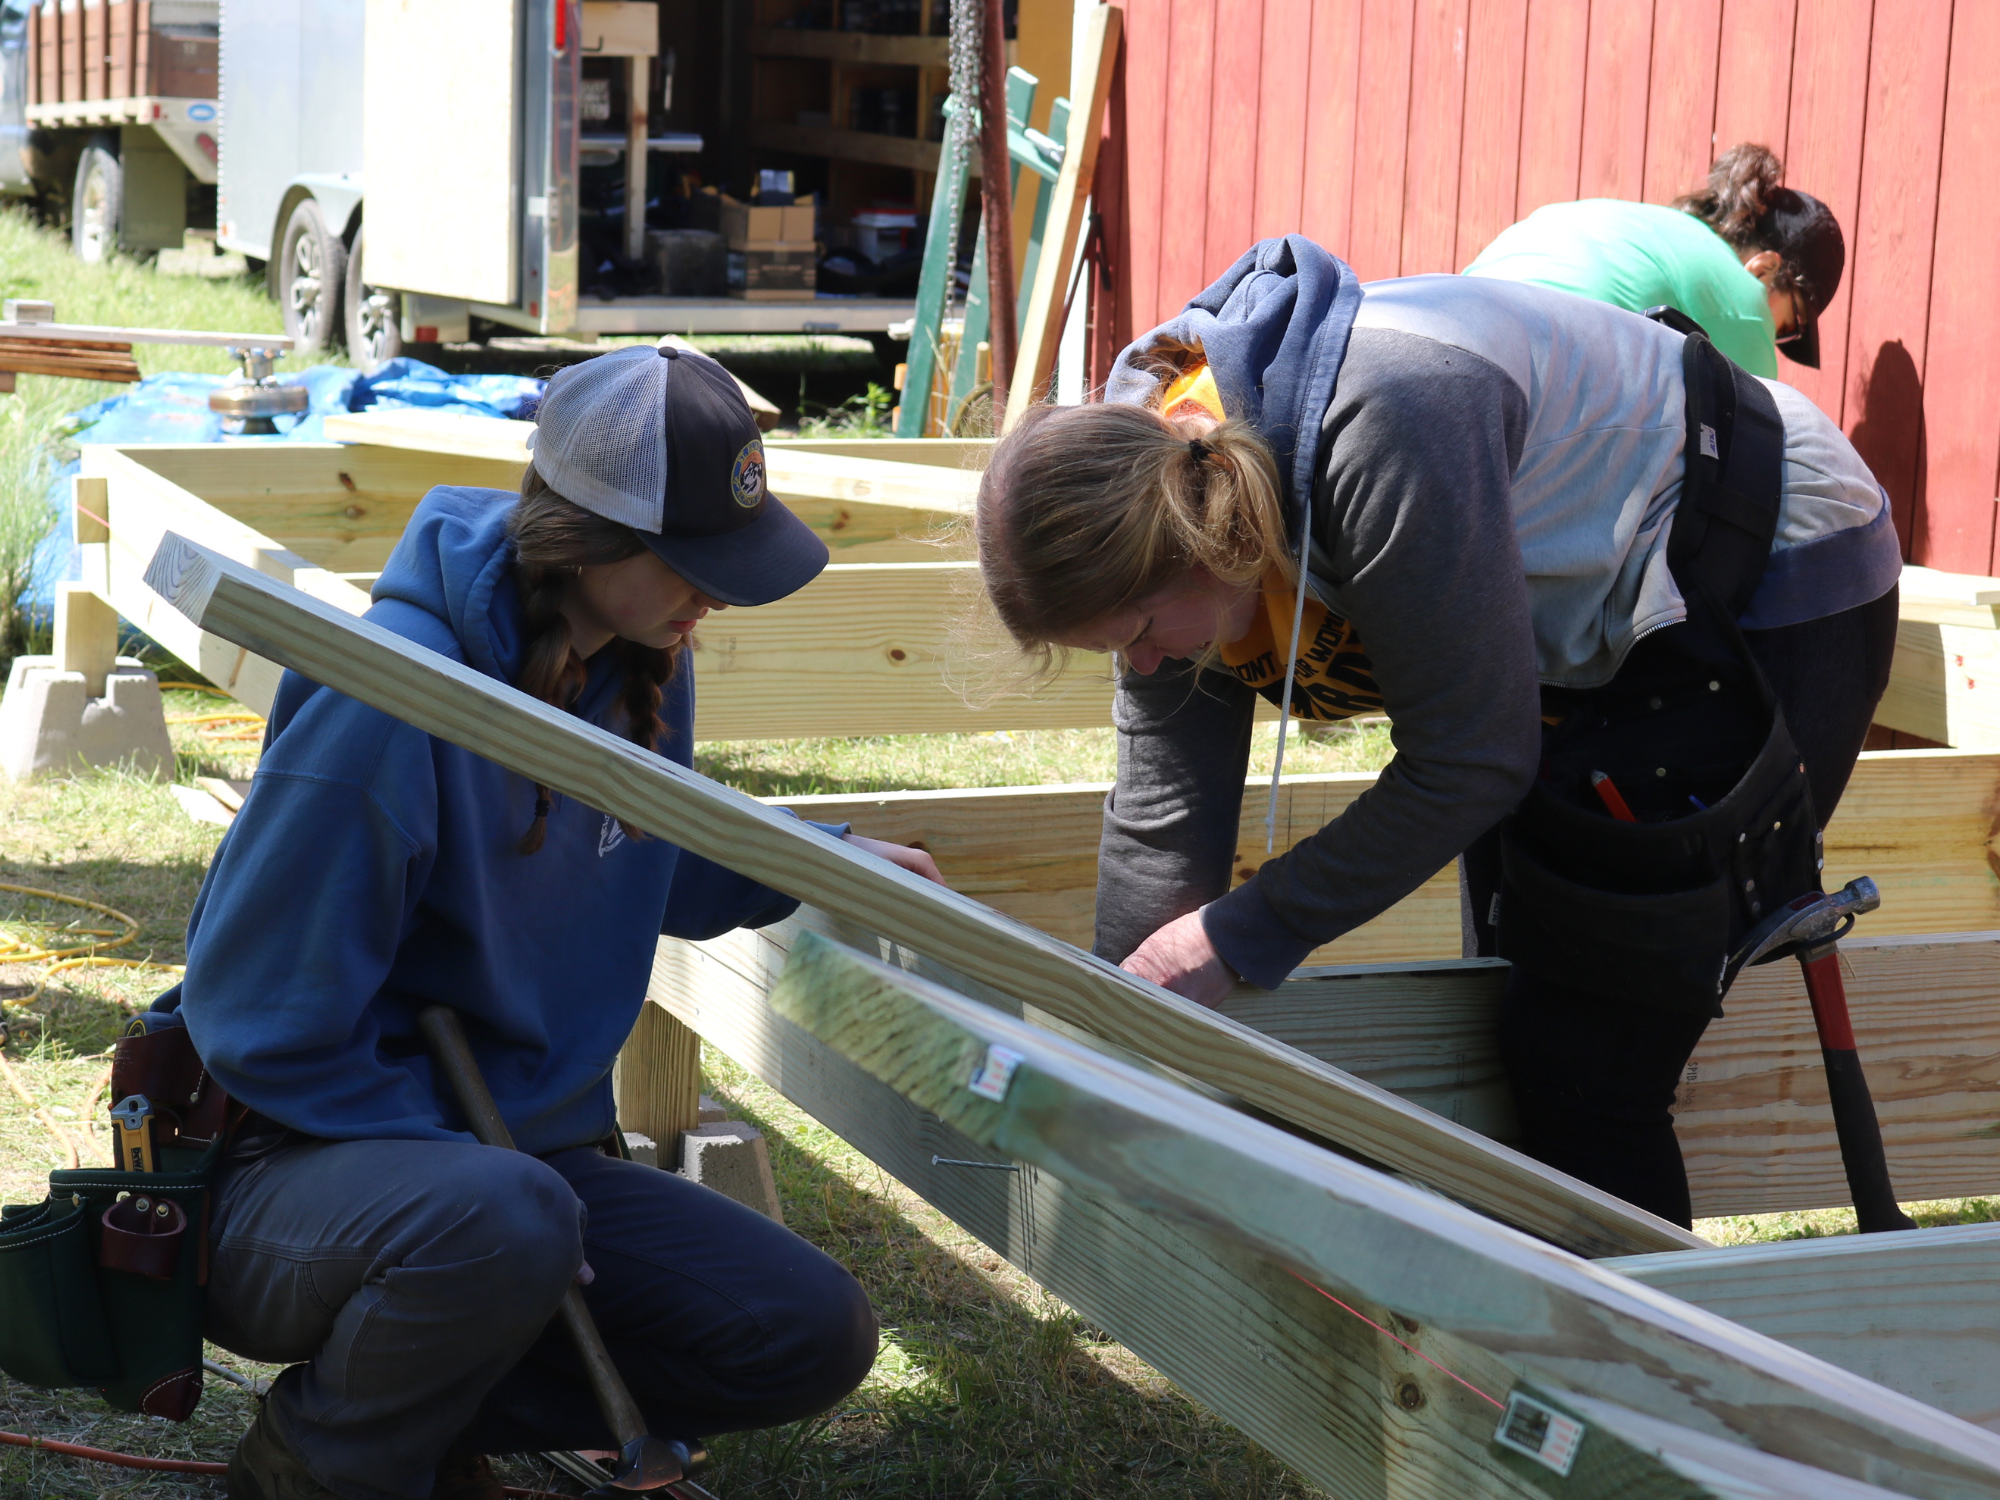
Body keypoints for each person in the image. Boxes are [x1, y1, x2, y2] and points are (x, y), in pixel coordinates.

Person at [975, 236, 1902, 1228]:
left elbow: (1470, 758)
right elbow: (1165, 824)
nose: (1144, 665)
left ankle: (1634, 1372)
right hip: (1576, 606)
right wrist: (1121, 1053)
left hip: (1760, 554)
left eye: (1139, 635)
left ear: (1206, 553)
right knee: (1506, 980)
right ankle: (1524, 1328)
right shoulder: (1153, 485)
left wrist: (1244, 931)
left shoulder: (1383, 427)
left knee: (1586, 1057)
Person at [149, 345, 939, 1500]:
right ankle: (308, 1473)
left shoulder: (635, 666)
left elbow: (642, 862)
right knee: (502, 1220)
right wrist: (483, 1185)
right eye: (689, 562)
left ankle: (416, 1411)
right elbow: (255, 1020)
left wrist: (817, 862)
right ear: (586, 538)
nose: (712, 594)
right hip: (292, 1175)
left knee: (806, 1329)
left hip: (516, 1177)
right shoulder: (389, 704)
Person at [1462, 143, 1845, 378]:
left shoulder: (1651, 226)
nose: (1773, 338)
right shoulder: (1744, 302)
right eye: (1789, 326)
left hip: (1440, 317)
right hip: (1517, 374)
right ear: (1764, 269)